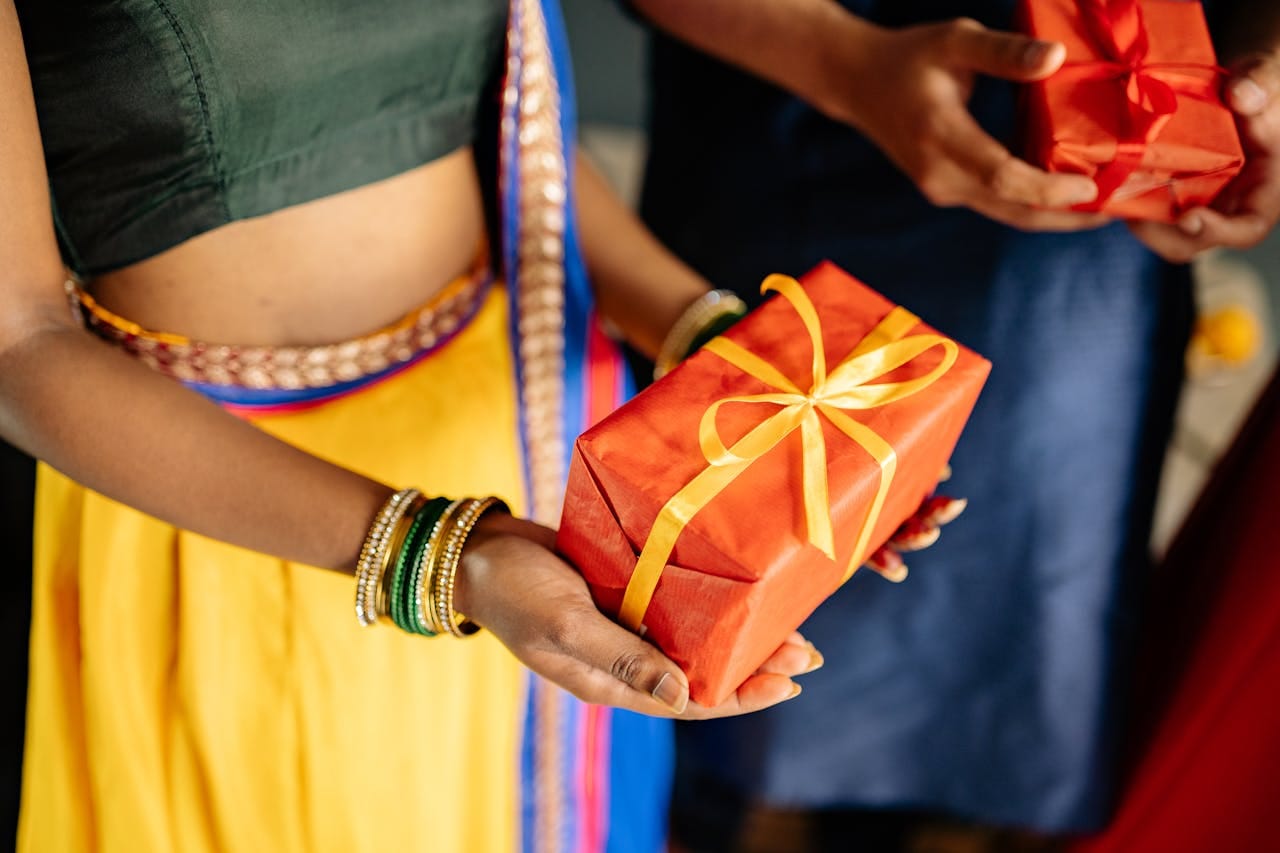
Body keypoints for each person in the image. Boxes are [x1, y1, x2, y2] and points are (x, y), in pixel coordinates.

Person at [0, 1, 821, 850]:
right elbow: (15, 346)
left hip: (527, 453)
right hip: (225, 514)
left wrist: (726, 361)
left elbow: (511, 122)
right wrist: (451, 558)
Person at [624, 0, 1280, 848]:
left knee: (1020, 663)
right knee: (732, 664)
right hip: (791, 140)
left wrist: (1263, 62)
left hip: (1087, 261)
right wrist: (842, 62)